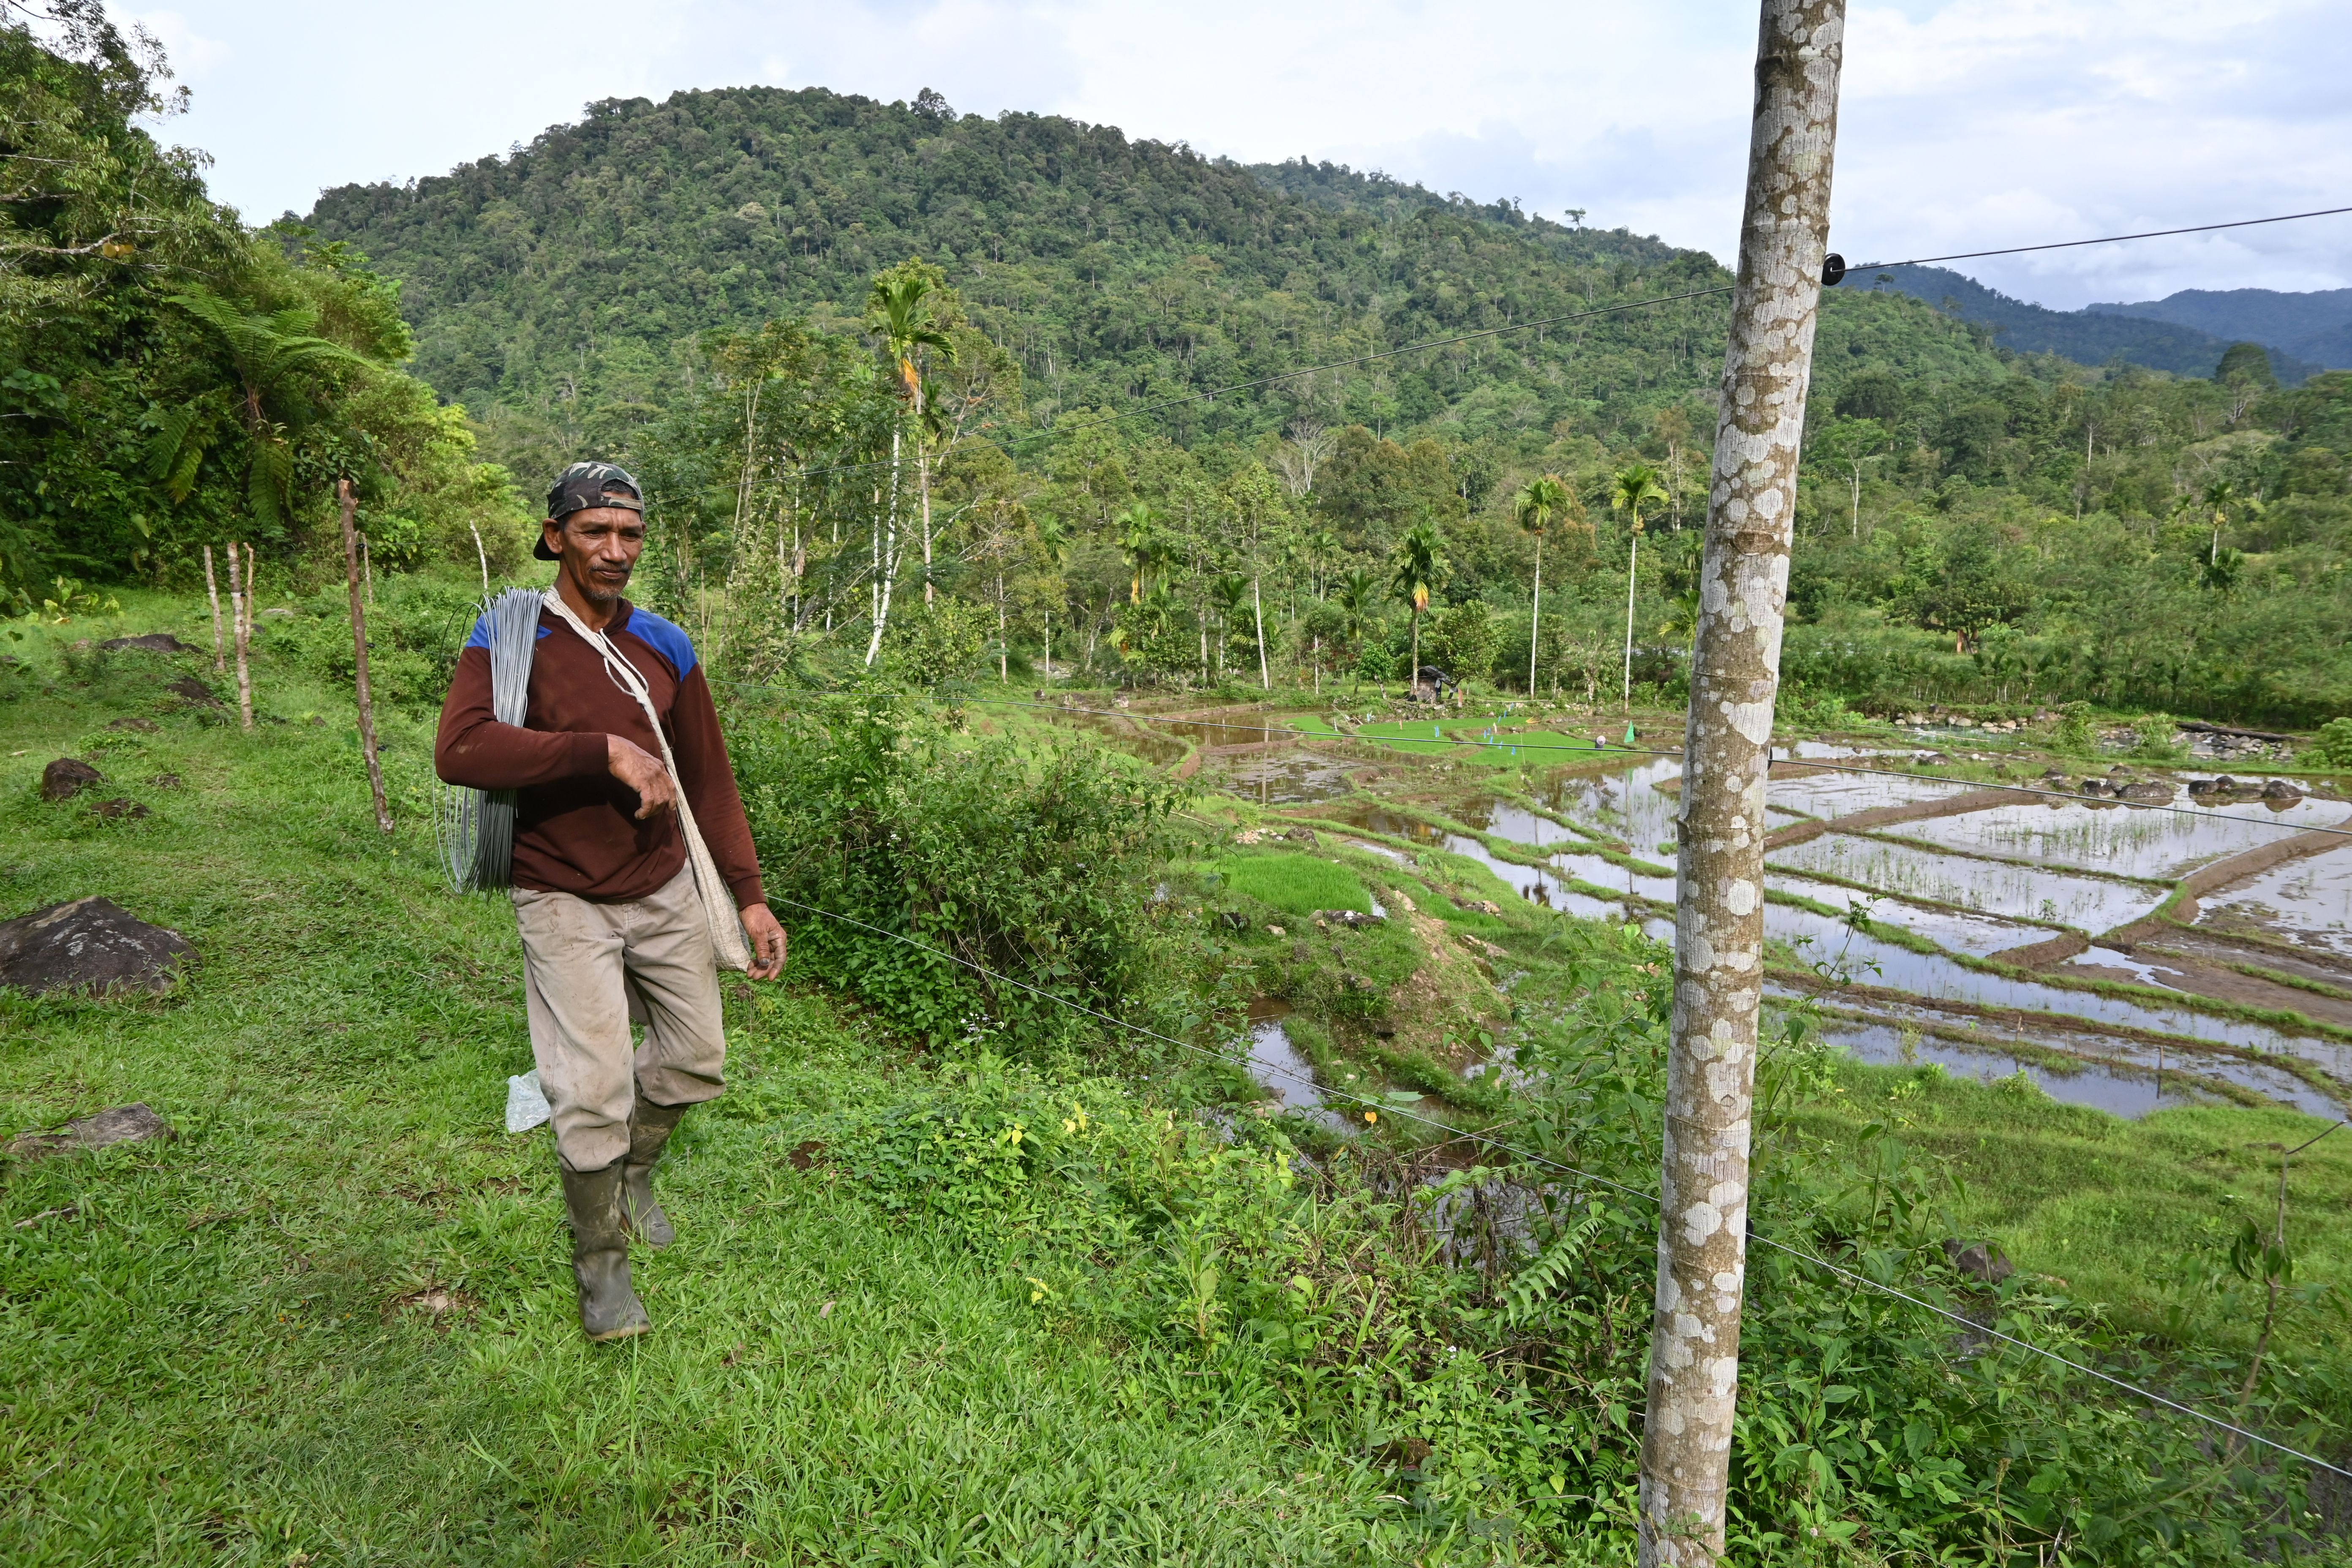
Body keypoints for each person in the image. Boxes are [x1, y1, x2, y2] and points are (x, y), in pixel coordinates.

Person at [435, 460, 787, 1342]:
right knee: (590, 1088)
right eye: (596, 531)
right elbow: (463, 749)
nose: (615, 549)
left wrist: (749, 896)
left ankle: (634, 1170)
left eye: (630, 534)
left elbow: (709, 777)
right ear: (556, 536)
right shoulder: (509, 635)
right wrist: (600, 750)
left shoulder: (664, 644)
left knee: (698, 1056)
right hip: (559, 891)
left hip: (663, 885)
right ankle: (600, 1260)